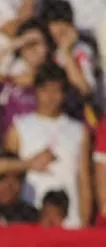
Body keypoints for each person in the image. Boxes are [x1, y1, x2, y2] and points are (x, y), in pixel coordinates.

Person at [6, 62, 91, 228]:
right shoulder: (18, 129)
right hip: (30, 217)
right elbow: (9, 175)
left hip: (69, 220)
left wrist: (84, 220)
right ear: (36, 91)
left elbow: (84, 179)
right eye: (45, 90)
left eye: (57, 90)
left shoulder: (79, 131)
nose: (51, 96)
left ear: (65, 94)